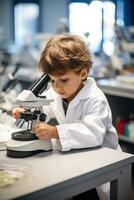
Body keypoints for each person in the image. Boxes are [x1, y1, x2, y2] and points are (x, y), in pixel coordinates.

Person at [12, 34, 119, 200]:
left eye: (63, 80)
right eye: (52, 81)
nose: (57, 87)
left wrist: (55, 132)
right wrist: (25, 110)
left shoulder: (95, 99)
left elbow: (93, 134)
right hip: (75, 157)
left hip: (100, 161)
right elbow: (45, 108)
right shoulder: (59, 92)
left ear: (83, 74)